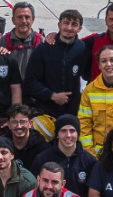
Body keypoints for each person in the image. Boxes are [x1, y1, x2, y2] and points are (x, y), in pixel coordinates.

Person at [23, 9, 83, 139]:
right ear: (59, 25)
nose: (69, 28)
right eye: (65, 23)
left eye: (74, 24)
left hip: (74, 114)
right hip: (45, 111)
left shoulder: (83, 50)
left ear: (80, 28)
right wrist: (51, 95)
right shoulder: (43, 49)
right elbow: (30, 81)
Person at [33, 115, 97, 197]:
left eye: (72, 131)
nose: (68, 135)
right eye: (63, 131)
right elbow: (35, 190)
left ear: (78, 134)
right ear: (57, 134)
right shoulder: (42, 159)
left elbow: (92, 194)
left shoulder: (89, 161)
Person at [3, 1, 43, 79]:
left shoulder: (42, 42)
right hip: (10, 88)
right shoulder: (2, 42)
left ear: (33, 19)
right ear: (13, 20)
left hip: (34, 88)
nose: (23, 21)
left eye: (27, 17)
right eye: (19, 17)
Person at [2, 103, 47, 172]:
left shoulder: (42, 147)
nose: (19, 126)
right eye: (14, 122)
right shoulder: (1, 145)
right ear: (9, 124)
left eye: (23, 122)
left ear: (30, 124)